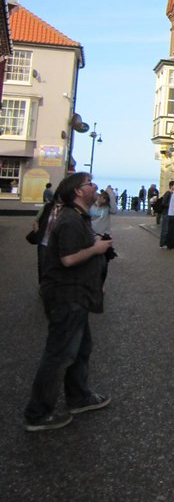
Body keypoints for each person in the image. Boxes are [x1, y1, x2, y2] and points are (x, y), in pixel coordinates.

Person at [23, 172, 113, 432]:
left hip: (77, 295)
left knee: (81, 348)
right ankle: (37, 413)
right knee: (60, 354)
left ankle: (79, 396)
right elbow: (68, 259)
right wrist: (96, 249)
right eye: (90, 184)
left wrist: (96, 243)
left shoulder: (77, 218)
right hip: (67, 296)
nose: (95, 187)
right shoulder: (71, 220)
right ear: (78, 192)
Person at [90, 190, 117, 280]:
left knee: (104, 262)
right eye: (103, 198)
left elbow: (114, 210)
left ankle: (101, 283)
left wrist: (111, 195)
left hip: (105, 235)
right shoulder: (91, 206)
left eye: (106, 199)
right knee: (92, 260)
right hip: (93, 235)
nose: (104, 201)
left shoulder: (107, 208)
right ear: (100, 196)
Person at [157, 181, 174, 247]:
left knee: (168, 228)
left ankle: (166, 242)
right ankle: (162, 243)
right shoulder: (168, 193)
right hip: (166, 212)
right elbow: (163, 203)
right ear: (171, 186)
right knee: (165, 228)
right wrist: (171, 205)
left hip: (169, 212)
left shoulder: (172, 193)